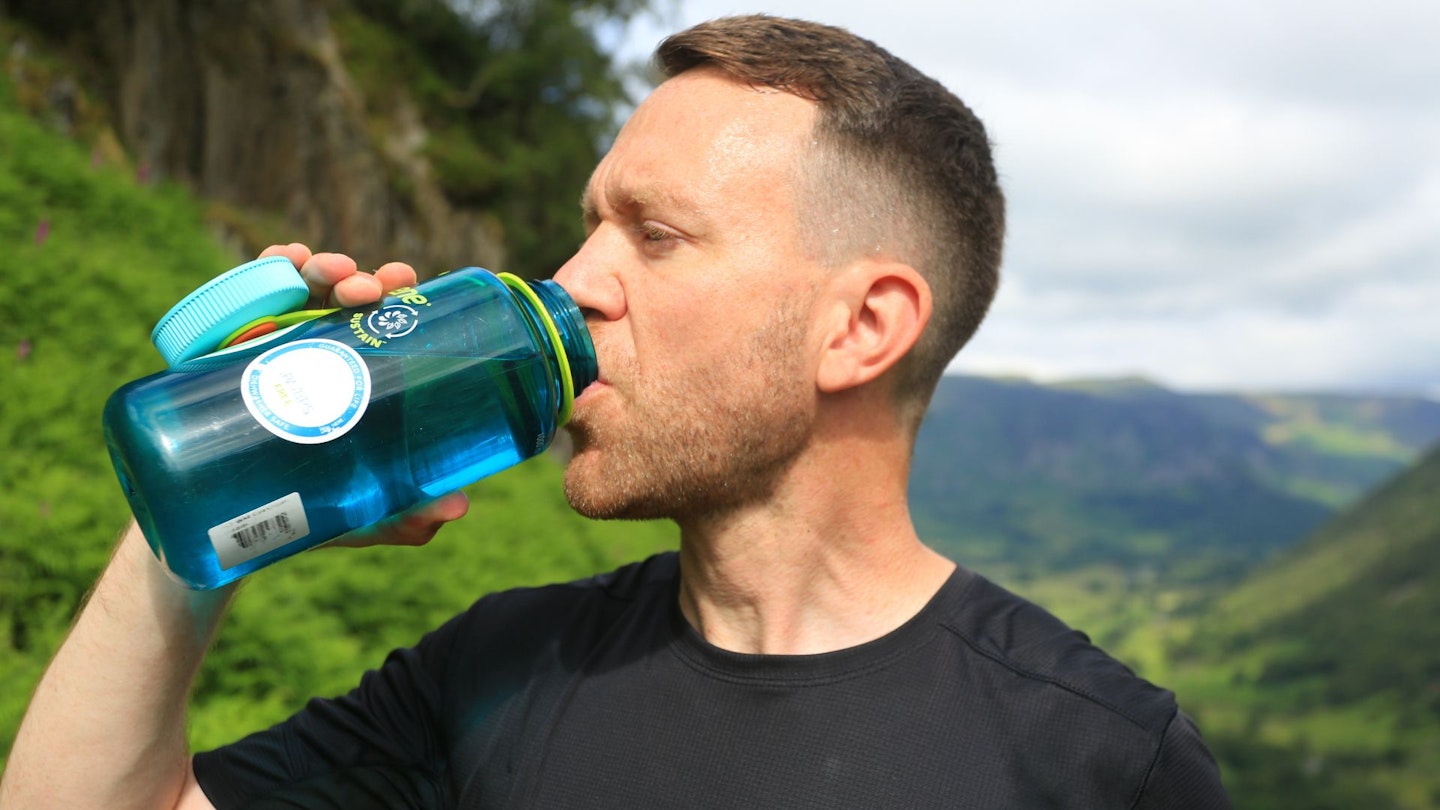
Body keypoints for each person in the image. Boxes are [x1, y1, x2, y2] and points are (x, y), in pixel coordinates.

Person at [0, 14, 1230, 809]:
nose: (574, 281)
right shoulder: (496, 672)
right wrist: (219, 492)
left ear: (861, 328)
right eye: (591, 223)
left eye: (654, 234)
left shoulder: (1097, 762)